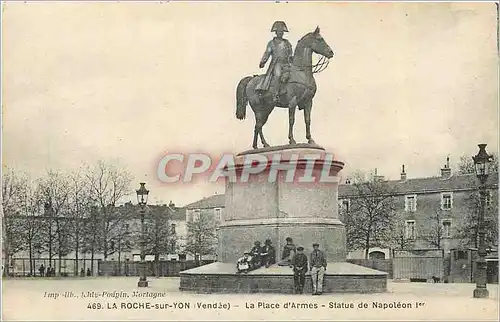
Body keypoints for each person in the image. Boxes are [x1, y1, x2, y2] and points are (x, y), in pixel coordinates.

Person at [255, 21, 293, 104]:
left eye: (282, 31)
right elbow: (267, 53)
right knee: (278, 75)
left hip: (287, 63)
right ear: (276, 32)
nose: (280, 33)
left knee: (294, 74)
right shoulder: (271, 43)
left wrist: (292, 59)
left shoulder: (287, 43)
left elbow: (290, 54)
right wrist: (263, 61)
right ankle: (275, 95)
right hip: (276, 64)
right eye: (279, 31)